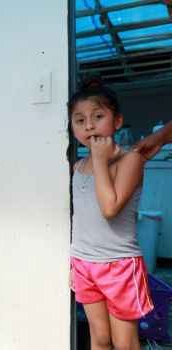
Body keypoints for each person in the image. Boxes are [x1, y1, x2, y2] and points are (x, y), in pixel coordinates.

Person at [68, 76, 153, 350]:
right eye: (79, 120)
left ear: (117, 121)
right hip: (85, 264)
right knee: (100, 339)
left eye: (98, 116)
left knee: (124, 343)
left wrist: (101, 161)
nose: (89, 125)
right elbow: (79, 220)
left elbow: (109, 208)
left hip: (120, 266)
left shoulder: (130, 160)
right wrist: (74, 262)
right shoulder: (78, 167)